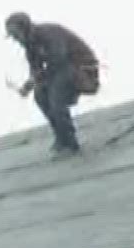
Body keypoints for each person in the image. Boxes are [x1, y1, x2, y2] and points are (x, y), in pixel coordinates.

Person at [5, 11, 100, 156]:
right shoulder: (30, 46)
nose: (16, 40)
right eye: (13, 37)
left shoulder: (49, 33)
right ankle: (61, 138)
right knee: (40, 95)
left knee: (56, 97)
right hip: (59, 71)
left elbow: (58, 58)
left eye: (16, 34)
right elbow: (36, 69)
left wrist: (39, 78)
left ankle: (70, 142)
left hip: (81, 69)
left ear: (25, 28)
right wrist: (28, 86)